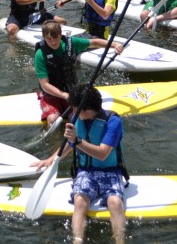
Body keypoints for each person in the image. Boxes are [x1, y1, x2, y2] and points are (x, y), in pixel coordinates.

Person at [33, 84, 128, 244]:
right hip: (86, 171)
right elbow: (69, 145)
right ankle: (77, 240)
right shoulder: (78, 119)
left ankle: (120, 240)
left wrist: (77, 140)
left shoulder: (113, 122)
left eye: (74, 108)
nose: (72, 112)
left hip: (111, 171)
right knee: (79, 201)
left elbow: (103, 153)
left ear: (85, 110)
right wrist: (50, 160)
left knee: (115, 202)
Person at [34, 20, 122, 126]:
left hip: (71, 90)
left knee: (75, 118)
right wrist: (64, 95)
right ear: (44, 37)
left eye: (56, 37)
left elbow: (94, 42)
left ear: (60, 34)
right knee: (53, 119)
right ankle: (56, 142)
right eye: (49, 39)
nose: (53, 42)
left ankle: (77, 141)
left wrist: (115, 45)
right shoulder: (40, 54)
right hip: (51, 94)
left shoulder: (72, 43)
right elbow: (45, 85)